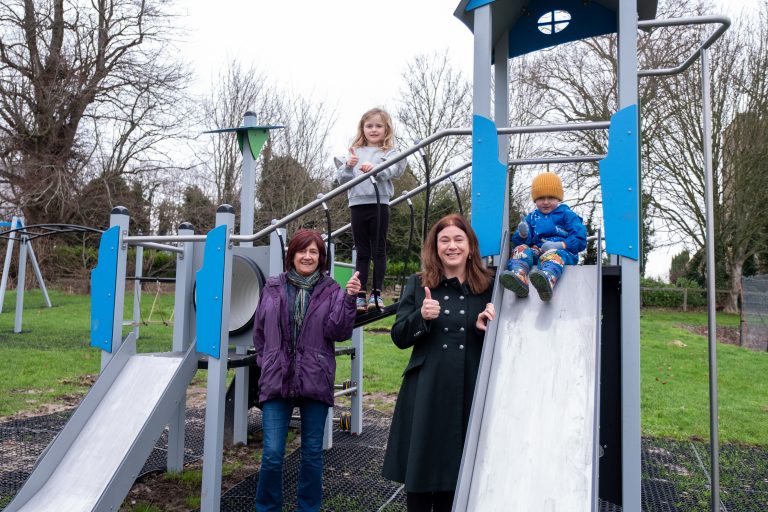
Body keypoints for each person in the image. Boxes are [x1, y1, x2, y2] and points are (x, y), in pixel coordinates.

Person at [382, 214, 495, 512]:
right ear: (435, 247)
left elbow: (509, 338)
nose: (452, 246)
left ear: (470, 246)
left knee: (457, 473)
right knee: (420, 471)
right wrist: (422, 317)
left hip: (469, 387)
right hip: (426, 389)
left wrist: (487, 329)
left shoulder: (489, 286)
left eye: (459, 239)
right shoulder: (418, 284)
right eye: (444, 240)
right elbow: (399, 336)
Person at [252, 229, 361, 512]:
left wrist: (349, 299)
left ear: (321, 258)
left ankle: (308, 508)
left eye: (314, 252)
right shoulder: (273, 287)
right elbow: (260, 331)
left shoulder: (332, 290)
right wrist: (267, 363)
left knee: (312, 454)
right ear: (292, 255)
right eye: (303, 250)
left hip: (315, 377)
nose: (308, 256)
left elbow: (338, 331)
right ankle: (267, 508)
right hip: (278, 377)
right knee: (273, 454)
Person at [335, 107, 406, 313]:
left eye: (378, 126)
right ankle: (359, 296)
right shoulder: (354, 151)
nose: (373, 130)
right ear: (362, 128)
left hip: (379, 203)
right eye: (369, 126)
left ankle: (376, 293)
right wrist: (349, 166)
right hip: (357, 203)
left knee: (378, 250)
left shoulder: (389, 152)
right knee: (362, 252)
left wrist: (376, 169)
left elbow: (395, 170)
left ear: (386, 129)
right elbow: (343, 180)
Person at [499, 171, 587, 302]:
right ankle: (519, 277)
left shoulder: (567, 214)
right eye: (541, 198)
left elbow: (580, 239)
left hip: (562, 252)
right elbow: (520, 242)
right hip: (538, 250)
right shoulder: (532, 217)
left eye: (550, 197)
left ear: (558, 198)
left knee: (553, 255)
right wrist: (522, 235)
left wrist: (561, 245)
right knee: (520, 249)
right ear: (535, 200)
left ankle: (546, 281)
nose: (546, 202)